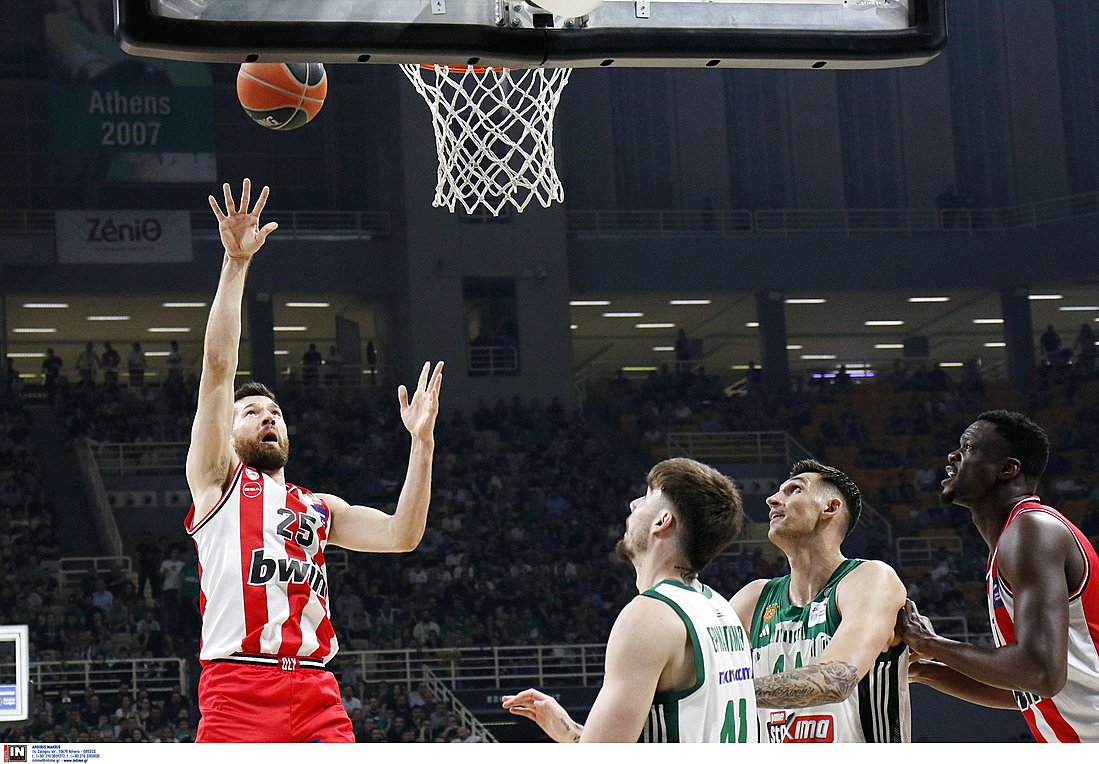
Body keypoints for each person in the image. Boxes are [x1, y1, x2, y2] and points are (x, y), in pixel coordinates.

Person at [185, 179, 444, 743]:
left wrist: (420, 445)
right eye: (251, 411)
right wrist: (235, 264)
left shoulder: (317, 507)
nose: (267, 417)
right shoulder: (215, 482)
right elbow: (217, 367)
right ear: (227, 435)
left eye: (274, 411)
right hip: (237, 688)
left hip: (316, 692)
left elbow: (403, 535)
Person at [501, 457, 757, 743]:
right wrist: (572, 733)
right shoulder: (720, 607)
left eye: (646, 498)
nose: (634, 505)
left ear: (662, 522)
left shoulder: (650, 615)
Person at [896, 410, 1099, 742]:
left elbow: (1039, 674)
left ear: (1007, 469)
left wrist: (931, 642)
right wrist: (925, 668)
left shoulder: (1032, 530)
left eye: (969, 447)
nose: (953, 456)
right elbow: (1029, 693)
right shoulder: (1012, 540)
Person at [730, 459, 910, 743]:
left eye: (794, 490)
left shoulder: (869, 579)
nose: (772, 499)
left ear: (831, 508)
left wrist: (728, 692)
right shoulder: (754, 598)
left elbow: (836, 680)